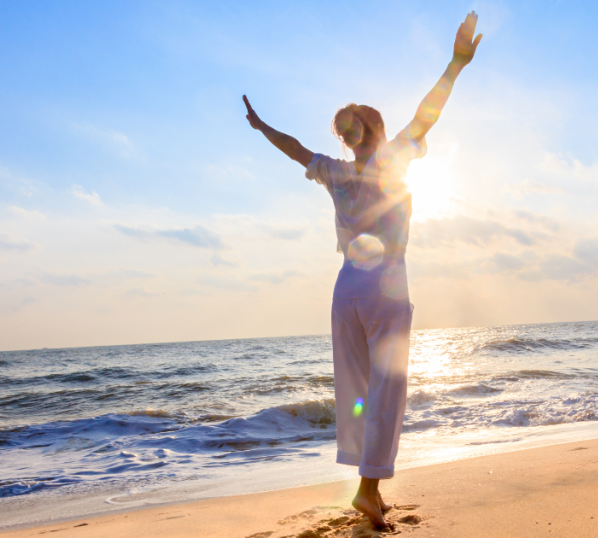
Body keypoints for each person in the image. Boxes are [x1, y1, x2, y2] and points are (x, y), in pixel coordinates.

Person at [242, 11, 482, 529]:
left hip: (345, 288)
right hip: (386, 284)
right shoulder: (392, 157)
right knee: (387, 389)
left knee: (354, 391)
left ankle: (365, 484)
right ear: (375, 129)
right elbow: (427, 113)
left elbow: (293, 149)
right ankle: (369, 491)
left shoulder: (334, 170)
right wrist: (457, 64)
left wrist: (261, 126)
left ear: (348, 136)